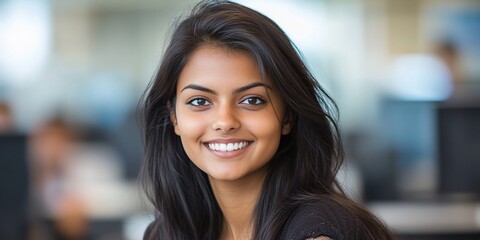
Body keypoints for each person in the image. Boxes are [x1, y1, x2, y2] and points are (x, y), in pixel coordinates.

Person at [141, 1, 394, 239]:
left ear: (288, 116)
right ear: (174, 117)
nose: (225, 121)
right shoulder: (165, 232)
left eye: (252, 100)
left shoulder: (317, 232)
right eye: (199, 101)